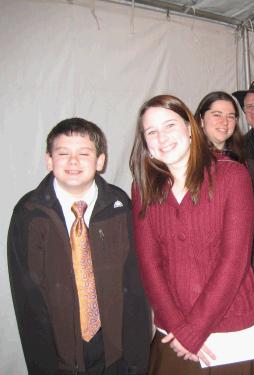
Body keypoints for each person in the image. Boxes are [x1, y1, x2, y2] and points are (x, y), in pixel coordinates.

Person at [129, 94, 254, 374]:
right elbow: (150, 266)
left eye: (170, 125)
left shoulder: (232, 176)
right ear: (145, 141)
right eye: (152, 131)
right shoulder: (143, 188)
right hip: (174, 332)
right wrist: (180, 329)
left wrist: (194, 330)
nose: (162, 137)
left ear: (190, 128)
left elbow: (233, 263)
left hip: (232, 327)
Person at [8, 118, 151, 375]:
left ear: (100, 161)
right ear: (49, 160)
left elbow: (135, 290)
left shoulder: (120, 207)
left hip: (115, 355)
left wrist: (136, 362)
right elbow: (28, 302)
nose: (73, 162)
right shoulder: (28, 214)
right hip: (60, 357)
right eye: (63, 153)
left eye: (84, 153)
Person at [194, 91, 247, 163]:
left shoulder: (243, 156)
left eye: (230, 117)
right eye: (217, 115)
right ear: (201, 119)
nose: (225, 122)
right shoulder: (190, 159)